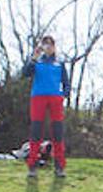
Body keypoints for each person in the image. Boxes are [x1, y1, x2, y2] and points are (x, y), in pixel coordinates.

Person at [21, 34, 70, 179]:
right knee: (36, 131)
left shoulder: (59, 63)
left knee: (58, 132)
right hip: (38, 97)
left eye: (51, 44)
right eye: (45, 44)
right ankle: (32, 166)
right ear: (42, 46)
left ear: (54, 47)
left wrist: (63, 95)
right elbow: (25, 73)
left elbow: (66, 82)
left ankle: (59, 166)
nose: (48, 46)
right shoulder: (36, 62)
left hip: (55, 98)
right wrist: (34, 58)